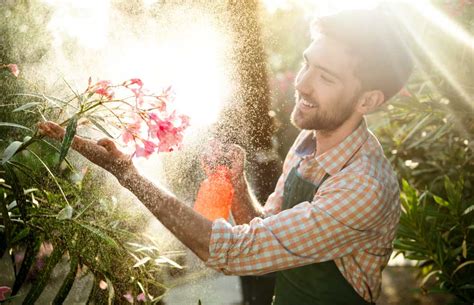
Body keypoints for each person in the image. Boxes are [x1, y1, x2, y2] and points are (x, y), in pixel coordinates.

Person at [38, 7, 413, 305]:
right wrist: (237, 184)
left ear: (368, 100)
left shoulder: (363, 187)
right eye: (306, 63)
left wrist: (127, 173)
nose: (301, 83)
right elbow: (269, 232)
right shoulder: (309, 141)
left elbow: (234, 253)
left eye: (326, 77)